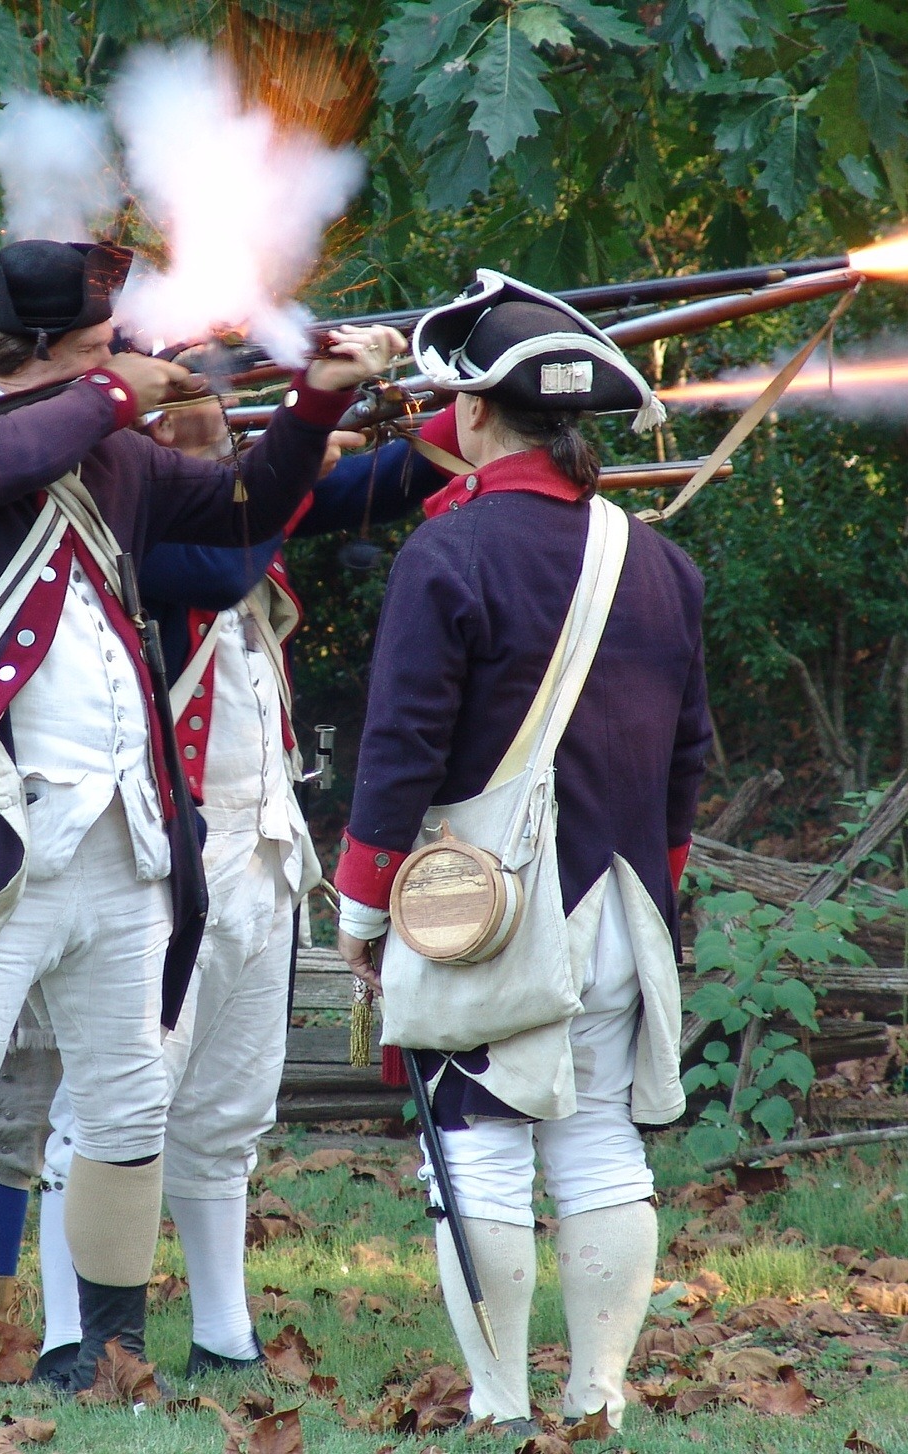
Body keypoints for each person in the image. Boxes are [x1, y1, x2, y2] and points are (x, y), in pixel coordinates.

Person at [0, 236, 402, 1437]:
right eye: (97, 347)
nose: (125, 363)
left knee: (132, 1107)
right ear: (36, 354)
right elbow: (14, 450)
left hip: (123, 843)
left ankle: (111, 1351)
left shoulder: (107, 454)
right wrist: (109, 392)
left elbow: (247, 505)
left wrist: (313, 402)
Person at [335, 271, 707, 1435]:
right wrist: (655, 890)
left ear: (479, 414)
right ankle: (595, 1400)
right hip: (627, 904)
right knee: (598, 1144)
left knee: (481, 1148)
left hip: (484, 911)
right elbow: (688, 759)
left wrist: (360, 910)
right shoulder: (660, 562)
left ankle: (499, 1406)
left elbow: (399, 753)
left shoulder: (446, 558)